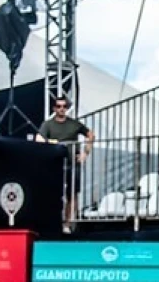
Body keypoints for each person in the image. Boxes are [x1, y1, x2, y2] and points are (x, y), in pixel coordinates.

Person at [35, 96, 96, 233]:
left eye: (64, 106)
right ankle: (52, 222)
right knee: (52, 193)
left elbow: (91, 135)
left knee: (72, 193)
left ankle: (67, 224)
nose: (62, 109)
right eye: (59, 106)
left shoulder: (74, 124)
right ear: (54, 108)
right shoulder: (48, 124)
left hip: (72, 163)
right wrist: (50, 144)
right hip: (54, 163)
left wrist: (85, 153)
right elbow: (38, 139)